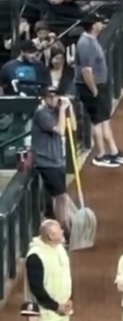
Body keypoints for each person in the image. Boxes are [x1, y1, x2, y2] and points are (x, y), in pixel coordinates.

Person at [75, 17, 123, 167]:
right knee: (97, 121)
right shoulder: (85, 43)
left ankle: (113, 152)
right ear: (94, 25)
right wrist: (93, 89)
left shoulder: (92, 40)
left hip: (99, 85)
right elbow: (86, 71)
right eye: (99, 22)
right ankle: (101, 155)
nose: (102, 24)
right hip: (91, 87)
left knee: (104, 120)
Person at [31, 88, 72, 233]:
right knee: (60, 196)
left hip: (57, 160)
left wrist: (69, 108)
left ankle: (63, 225)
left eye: (56, 97)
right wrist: (62, 110)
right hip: (47, 162)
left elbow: (72, 126)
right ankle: (64, 230)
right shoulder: (42, 113)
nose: (54, 100)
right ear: (45, 98)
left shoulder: (56, 111)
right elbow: (61, 131)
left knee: (62, 197)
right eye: (51, 97)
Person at [25, 220, 73, 321]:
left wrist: (70, 298)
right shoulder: (35, 256)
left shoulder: (60, 249)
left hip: (63, 315)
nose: (62, 231)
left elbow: (66, 276)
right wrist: (56, 307)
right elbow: (37, 289)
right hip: (44, 320)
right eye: (59, 230)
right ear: (51, 236)